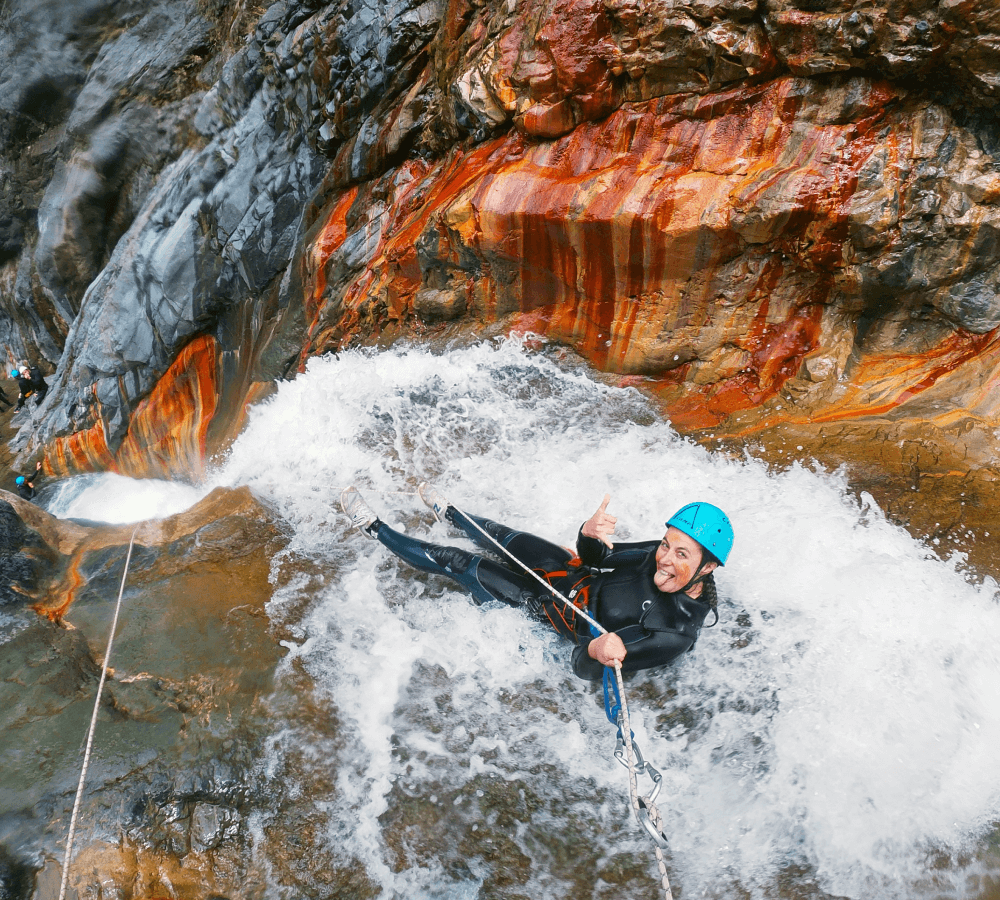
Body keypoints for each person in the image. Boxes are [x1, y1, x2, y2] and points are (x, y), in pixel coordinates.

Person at [340, 485, 733, 680]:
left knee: (458, 561)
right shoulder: (663, 551)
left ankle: (375, 528)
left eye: (681, 555)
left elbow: (581, 666)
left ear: (707, 568)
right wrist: (588, 535)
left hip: (547, 610)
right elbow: (601, 560)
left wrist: (596, 650)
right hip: (570, 572)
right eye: (666, 545)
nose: (664, 559)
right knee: (500, 534)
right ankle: (453, 514)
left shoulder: (672, 632)